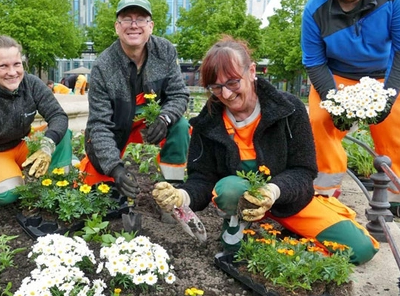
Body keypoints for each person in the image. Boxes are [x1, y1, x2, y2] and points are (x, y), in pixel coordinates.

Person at [152, 37, 379, 264]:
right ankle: (237, 225)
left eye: (232, 83)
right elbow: (203, 177)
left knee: (359, 249)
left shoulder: (289, 110)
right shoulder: (208, 122)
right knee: (230, 193)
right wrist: (182, 195)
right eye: (216, 87)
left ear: (251, 71)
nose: (227, 95)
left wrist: (272, 192)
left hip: (288, 198)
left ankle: (284, 238)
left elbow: (303, 171)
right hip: (241, 203)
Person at [301, 0, 400, 222]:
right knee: (318, 123)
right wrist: (336, 103)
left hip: (383, 75)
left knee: (399, 128)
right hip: (337, 75)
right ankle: (325, 191)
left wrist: (389, 97)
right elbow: (314, 62)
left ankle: (395, 198)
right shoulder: (314, 11)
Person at [79, 0, 190, 201]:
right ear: (117, 27)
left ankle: (171, 191)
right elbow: (100, 124)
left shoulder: (164, 51)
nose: (133, 25)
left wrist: (165, 118)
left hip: (151, 121)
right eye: (126, 19)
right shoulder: (103, 66)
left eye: (140, 19)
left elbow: (179, 94)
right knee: (100, 194)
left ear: (151, 26)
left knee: (180, 126)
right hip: (115, 125)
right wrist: (115, 169)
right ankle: (105, 175)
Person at [0, 35, 73, 225]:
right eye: (3, 66)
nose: (12, 72)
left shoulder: (31, 84)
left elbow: (58, 116)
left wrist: (46, 146)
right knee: (7, 194)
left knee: (61, 135)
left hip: (23, 143)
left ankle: (56, 183)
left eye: (17, 64)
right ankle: (9, 177)